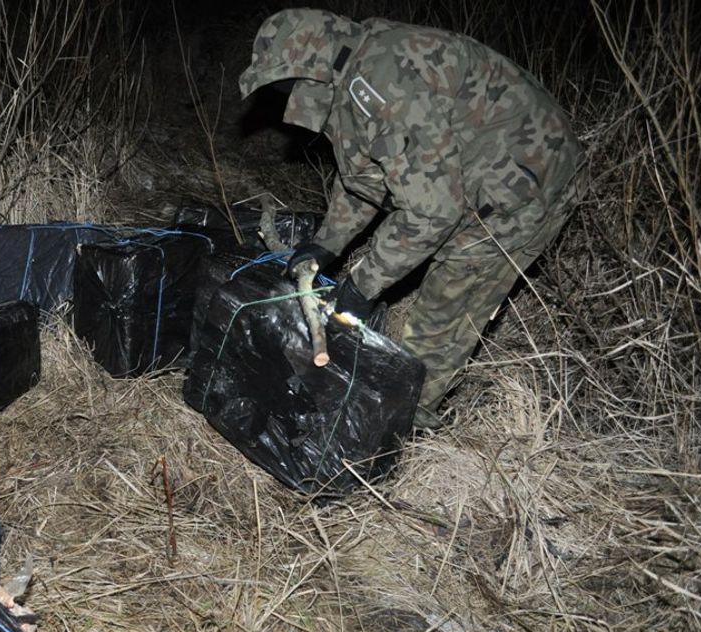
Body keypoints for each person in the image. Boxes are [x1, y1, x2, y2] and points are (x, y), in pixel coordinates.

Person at [239, 9, 584, 429]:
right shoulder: (353, 71)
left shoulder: (386, 86)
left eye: (283, 84)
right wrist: (327, 242)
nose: (282, 97)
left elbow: (433, 211)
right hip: (482, 171)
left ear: (308, 66)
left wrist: (362, 286)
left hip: (528, 183)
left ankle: (403, 427)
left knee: (445, 306)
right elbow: (366, 176)